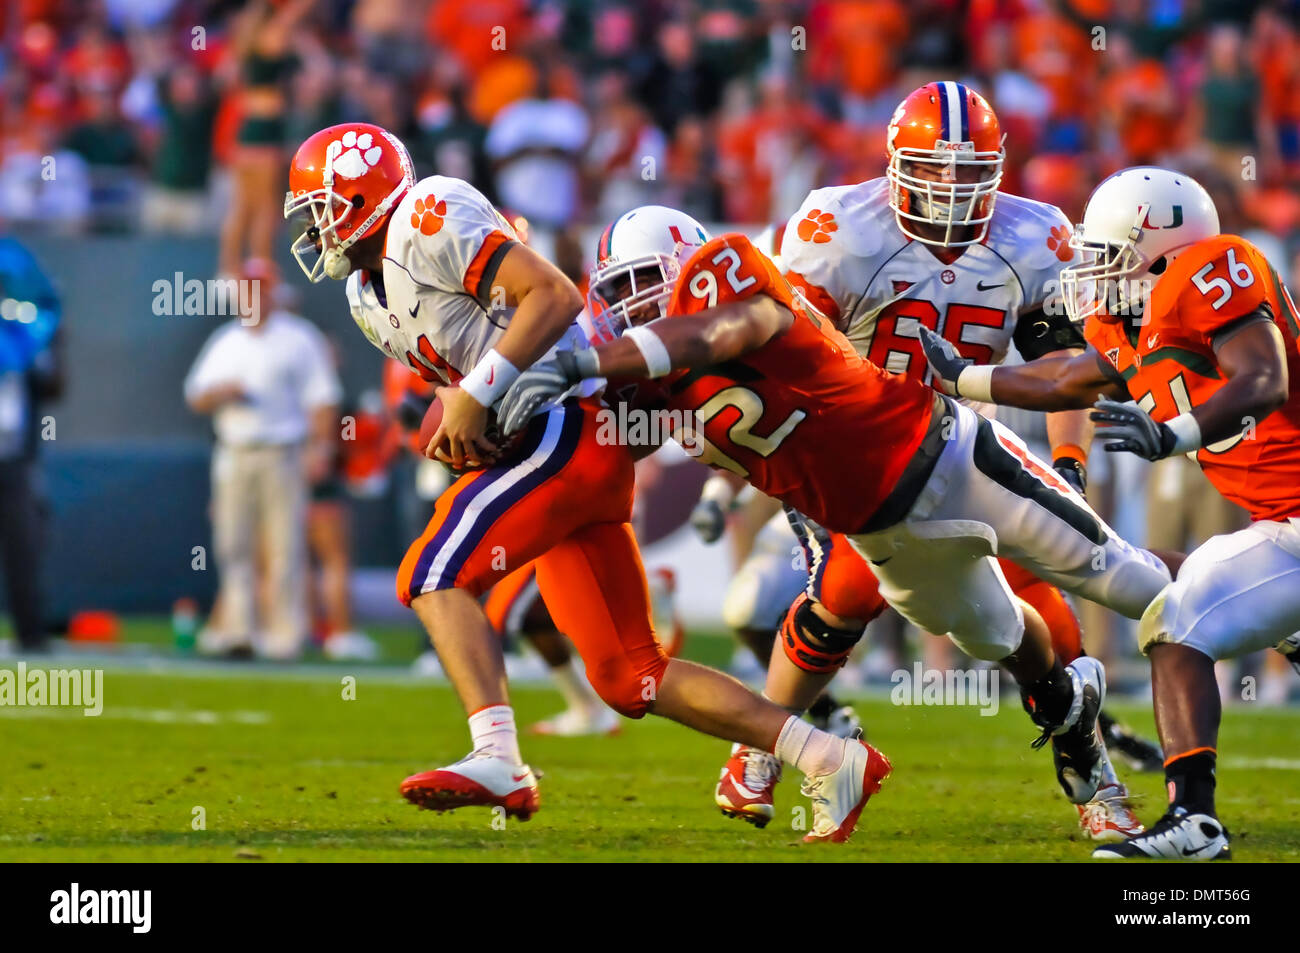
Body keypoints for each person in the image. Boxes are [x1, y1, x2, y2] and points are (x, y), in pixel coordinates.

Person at [284, 123, 885, 842]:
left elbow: (553, 295)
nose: (313, 227)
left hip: (567, 425)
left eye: (319, 206)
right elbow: (458, 394)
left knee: (435, 572)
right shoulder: (364, 292)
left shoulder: (427, 213)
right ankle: (830, 755)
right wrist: (459, 424)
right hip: (552, 446)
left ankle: (497, 755)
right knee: (632, 676)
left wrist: (477, 394)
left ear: (359, 194)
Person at [498, 203, 1173, 828]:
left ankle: (1260, 641)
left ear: (686, 268)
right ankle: (1070, 716)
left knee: (1130, 583)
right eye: (616, 291)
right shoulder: (643, 381)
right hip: (882, 531)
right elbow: (596, 441)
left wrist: (581, 361)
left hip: (950, 457)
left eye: (643, 281)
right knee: (997, 633)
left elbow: (720, 331)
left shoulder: (731, 286)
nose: (629, 304)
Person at [706, 83, 1157, 838]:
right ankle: (760, 747)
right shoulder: (835, 225)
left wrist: (1071, 462)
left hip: (958, 447)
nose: (950, 188)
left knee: (1053, 628)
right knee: (846, 587)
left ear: (997, 167)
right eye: (933, 169)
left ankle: (1091, 769)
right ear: (895, 163)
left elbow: (1068, 369)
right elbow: (781, 354)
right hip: (846, 445)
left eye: (969, 170)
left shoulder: (1036, 236)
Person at [917, 165, 1300, 860]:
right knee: (1168, 571)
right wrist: (961, 377)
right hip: (1281, 522)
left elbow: (1264, 378)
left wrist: (1173, 433)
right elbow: (1067, 374)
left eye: (1108, 255)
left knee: (1176, 619)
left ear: (1162, 246)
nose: (1094, 272)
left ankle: (1196, 821)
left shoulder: (1216, 269)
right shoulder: (1133, 320)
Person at [184, 258, 341, 660]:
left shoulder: (298, 338)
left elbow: (322, 398)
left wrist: (320, 447)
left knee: (284, 544)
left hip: (281, 451)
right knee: (233, 543)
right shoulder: (226, 340)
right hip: (234, 450)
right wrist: (222, 392)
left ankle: (285, 634)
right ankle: (240, 630)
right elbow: (196, 395)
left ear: (273, 293)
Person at [0, 234, 62, 652]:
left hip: (14, 456)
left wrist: (49, 345)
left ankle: (31, 633)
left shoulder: (21, 331)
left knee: (24, 543)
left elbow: (54, 386)